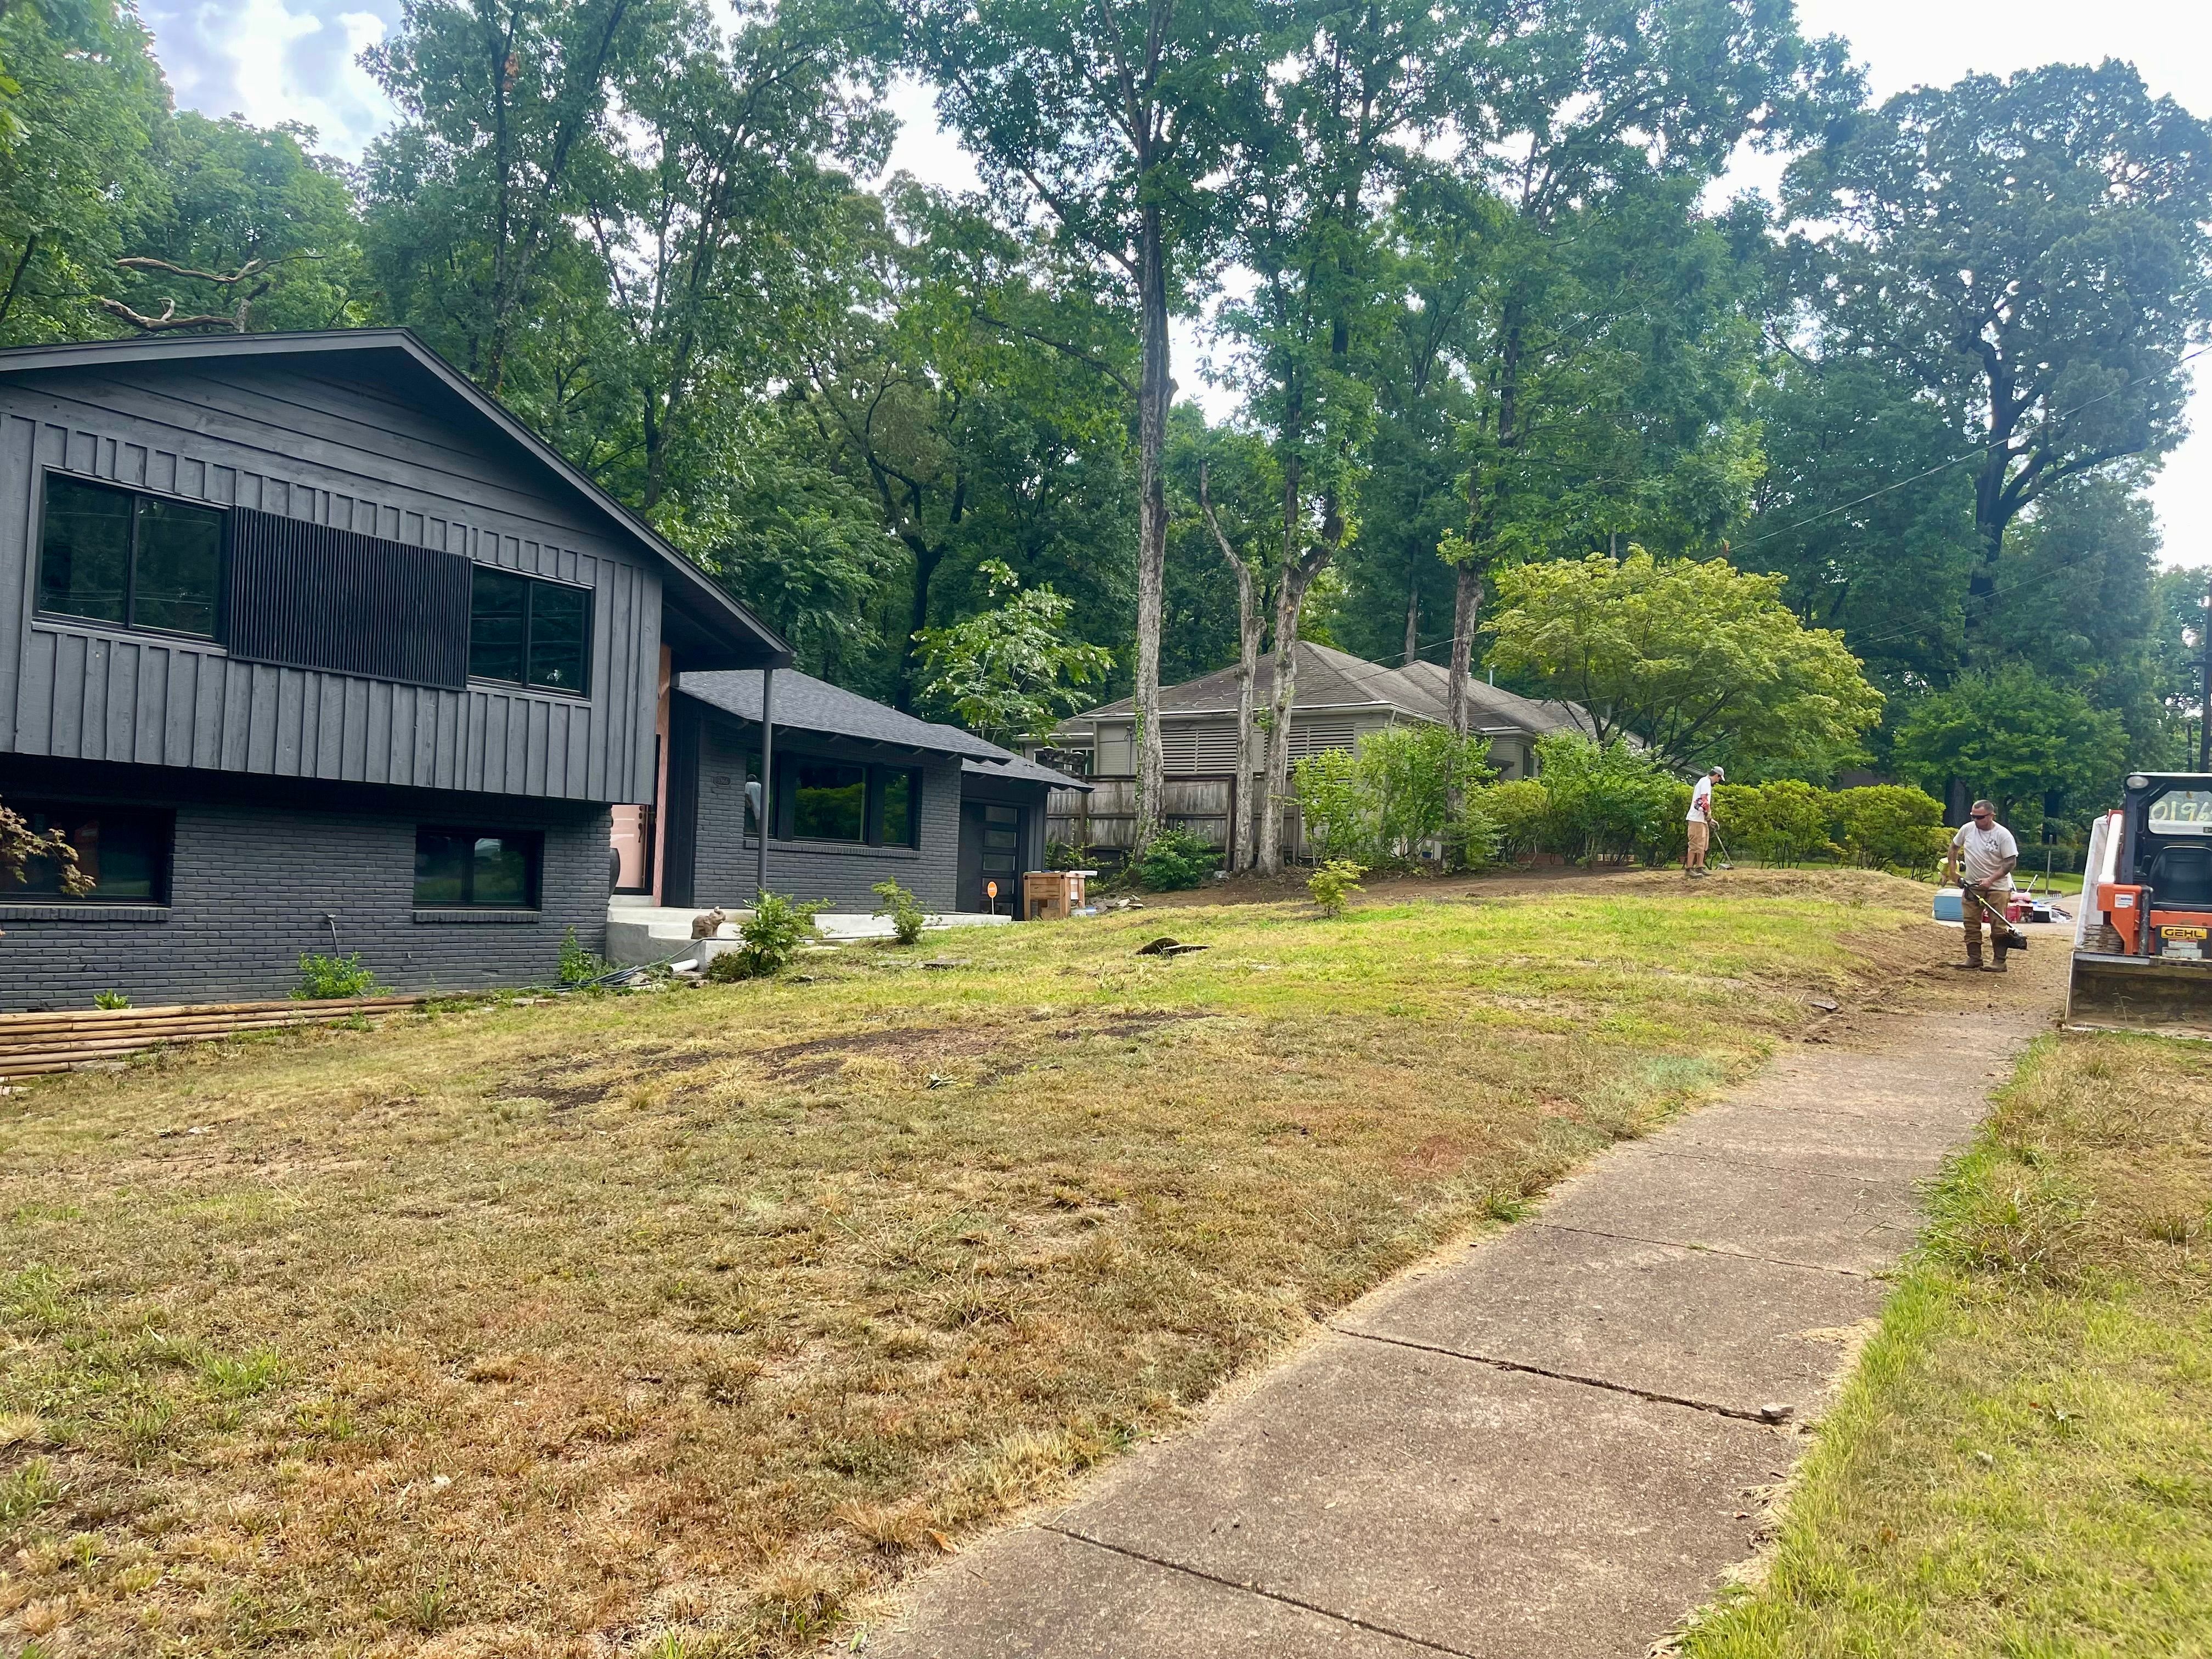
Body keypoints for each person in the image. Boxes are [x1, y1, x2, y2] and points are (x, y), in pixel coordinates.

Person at [1944, 799, 2019, 972]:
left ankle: (2000, 961)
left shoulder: (2003, 835)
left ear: (1991, 815)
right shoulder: (1967, 829)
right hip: (1972, 885)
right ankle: (1974, 958)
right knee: (1970, 921)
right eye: (1973, 817)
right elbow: (1954, 848)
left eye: (1980, 817)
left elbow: (2010, 863)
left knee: (1998, 924)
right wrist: (1953, 872)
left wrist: (1991, 880)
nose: (1976, 821)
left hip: (1997, 887)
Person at [1684, 766, 1723, 877]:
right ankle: (1689, 869)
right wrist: (1709, 817)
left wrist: (1710, 819)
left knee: (1703, 845)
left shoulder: (1705, 782)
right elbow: (1704, 800)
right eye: (1719, 779)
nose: (1718, 781)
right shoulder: (1706, 782)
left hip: (1701, 820)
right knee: (1695, 844)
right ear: (1717, 775)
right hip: (1696, 819)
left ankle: (1700, 868)